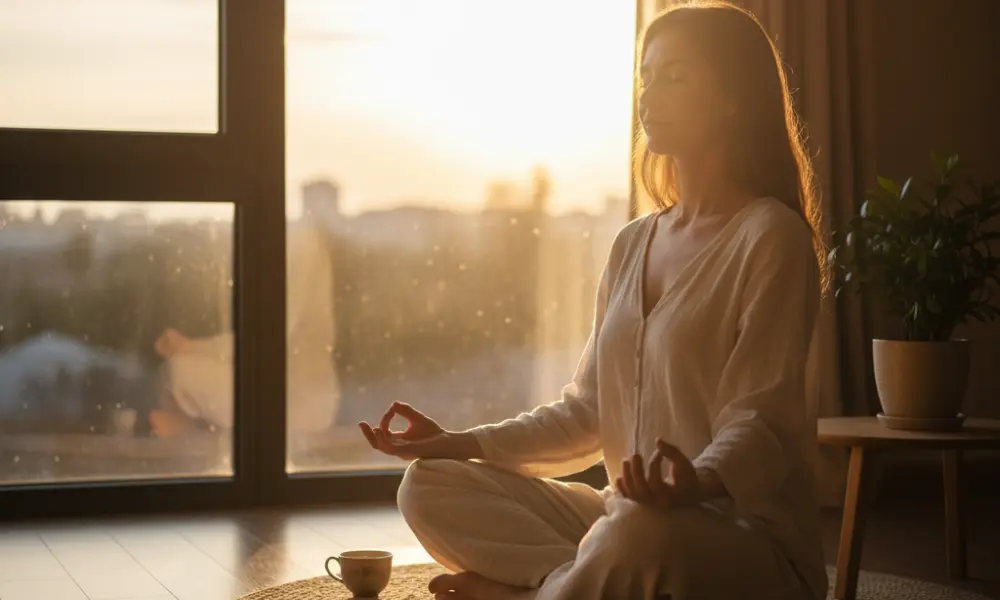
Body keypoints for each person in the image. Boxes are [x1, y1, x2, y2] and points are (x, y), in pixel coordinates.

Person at [360, 2, 829, 599]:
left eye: (675, 76)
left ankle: (535, 593)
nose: (649, 95)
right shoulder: (634, 242)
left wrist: (698, 481)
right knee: (428, 485)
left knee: (637, 533)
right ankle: (566, 587)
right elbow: (587, 412)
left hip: (737, 538)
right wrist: (460, 442)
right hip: (623, 518)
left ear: (734, 97)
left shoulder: (771, 237)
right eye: (646, 76)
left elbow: (762, 420)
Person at [150, 219, 341, 437]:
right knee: (174, 371)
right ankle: (182, 423)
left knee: (181, 370)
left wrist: (189, 347)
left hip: (298, 400)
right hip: (285, 390)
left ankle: (181, 428)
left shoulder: (301, 242)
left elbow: (267, 339)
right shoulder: (285, 239)